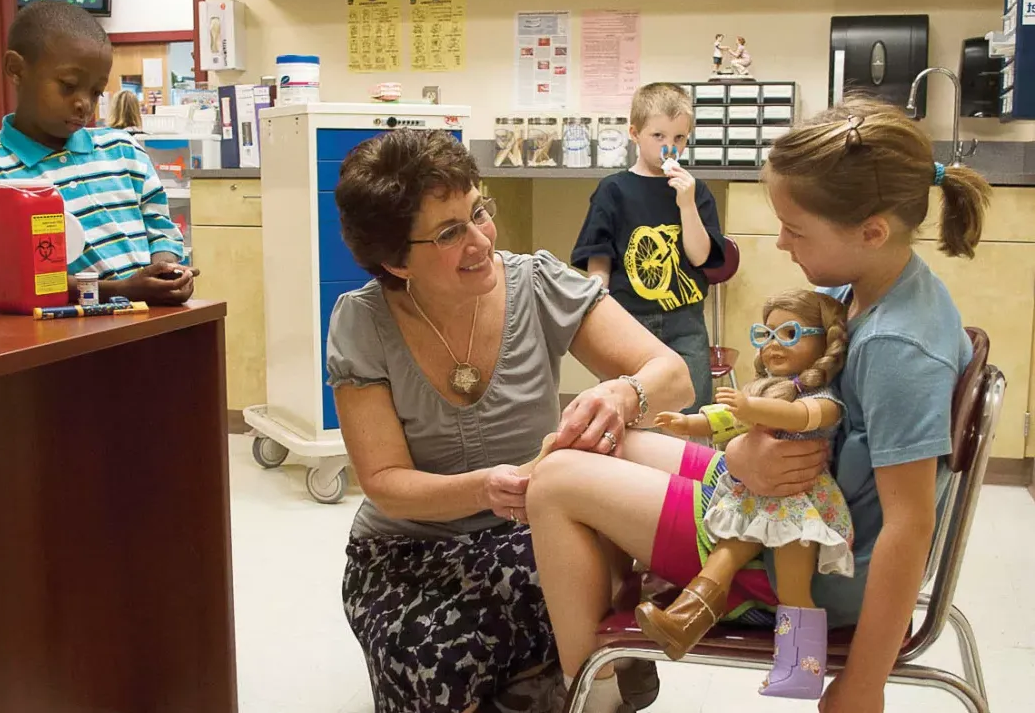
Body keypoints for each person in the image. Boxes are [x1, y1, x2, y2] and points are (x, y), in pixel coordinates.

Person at [527, 95, 990, 713]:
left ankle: (595, 692)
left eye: (795, 230)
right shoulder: (878, 288)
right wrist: (745, 447)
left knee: (554, 480)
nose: (779, 243)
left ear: (871, 230)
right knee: (608, 437)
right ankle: (613, 647)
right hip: (782, 498)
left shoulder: (900, 348)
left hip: (806, 555)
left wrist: (864, 683)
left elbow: (908, 529)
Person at [326, 128, 695, 713]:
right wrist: (485, 488)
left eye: (479, 212)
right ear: (397, 261)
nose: (481, 241)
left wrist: (623, 395)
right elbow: (385, 483)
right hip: (407, 549)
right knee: (434, 662)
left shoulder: (537, 283)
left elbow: (671, 372)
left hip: (535, 531)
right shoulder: (362, 322)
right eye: (450, 233)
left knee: (554, 629)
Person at [638, 289, 854, 700]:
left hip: (798, 509)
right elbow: (723, 420)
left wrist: (750, 408)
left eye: (788, 333)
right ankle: (685, 621)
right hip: (754, 499)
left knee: (792, 588)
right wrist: (688, 424)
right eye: (766, 333)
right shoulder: (768, 389)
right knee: (723, 555)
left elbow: (798, 417)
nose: (773, 344)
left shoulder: (822, 398)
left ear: (824, 341)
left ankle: (803, 672)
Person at [0, 0, 197, 306]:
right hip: (65, 339)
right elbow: (21, 278)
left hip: (146, 328)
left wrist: (166, 273)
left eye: (96, 92)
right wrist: (123, 289)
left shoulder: (123, 150)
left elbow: (160, 230)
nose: (84, 103)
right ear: (16, 70)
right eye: (69, 86)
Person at [571, 82, 726, 414]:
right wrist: (598, 308)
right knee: (627, 408)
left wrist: (686, 204)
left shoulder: (696, 192)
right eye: (659, 137)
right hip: (629, 318)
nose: (669, 148)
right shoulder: (613, 190)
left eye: (679, 139)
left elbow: (700, 256)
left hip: (685, 319)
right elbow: (599, 258)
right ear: (635, 133)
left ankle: (688, 463)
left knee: (691, 406)